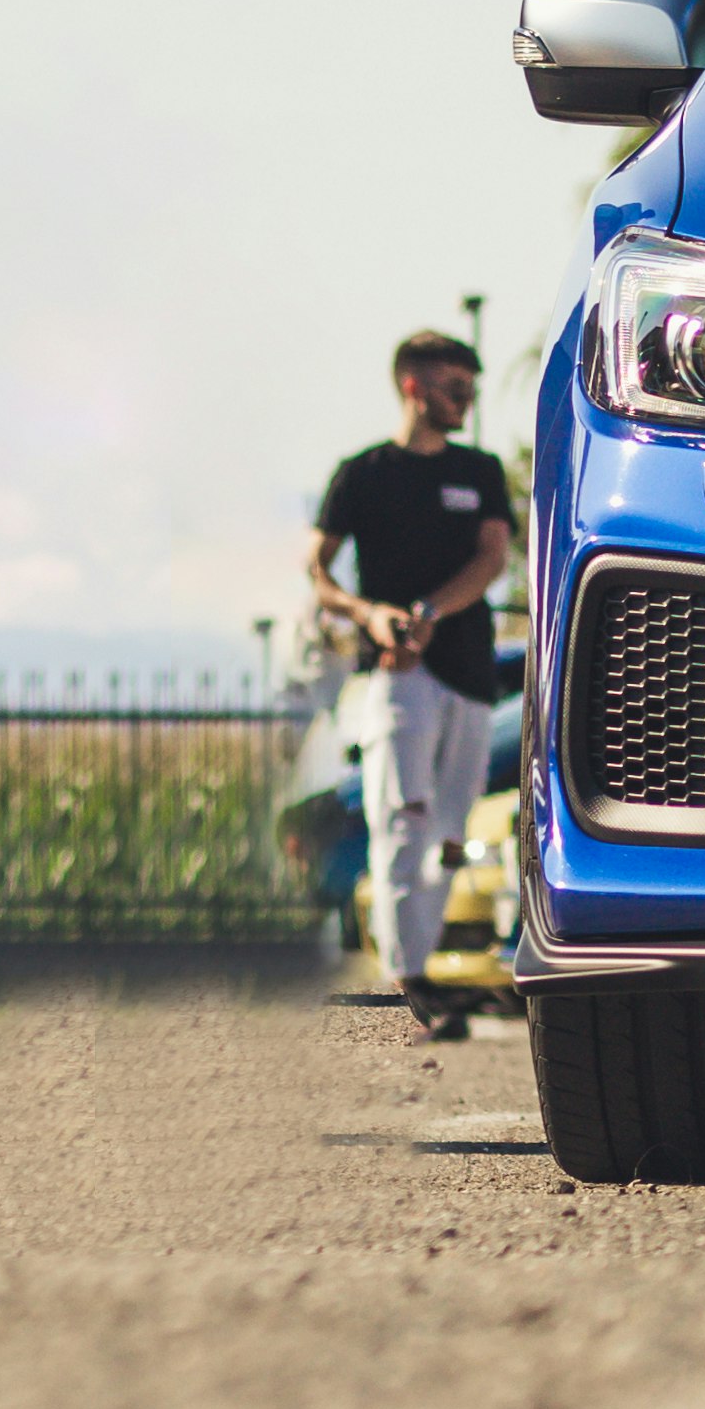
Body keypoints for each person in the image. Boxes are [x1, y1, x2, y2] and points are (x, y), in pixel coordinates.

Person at [307, 333, 514, 1040]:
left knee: (450, 831)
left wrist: (430, 611)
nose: (467, 401)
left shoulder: (479, 470)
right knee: (402, 819)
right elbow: (319, 571)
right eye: (456, 387)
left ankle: (421, 967)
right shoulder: (362, 474)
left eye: (471, 389)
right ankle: (407, 979)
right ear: (414, 387)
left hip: (467, 670)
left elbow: (492, 557)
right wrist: (372, 614)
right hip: (399, 677)